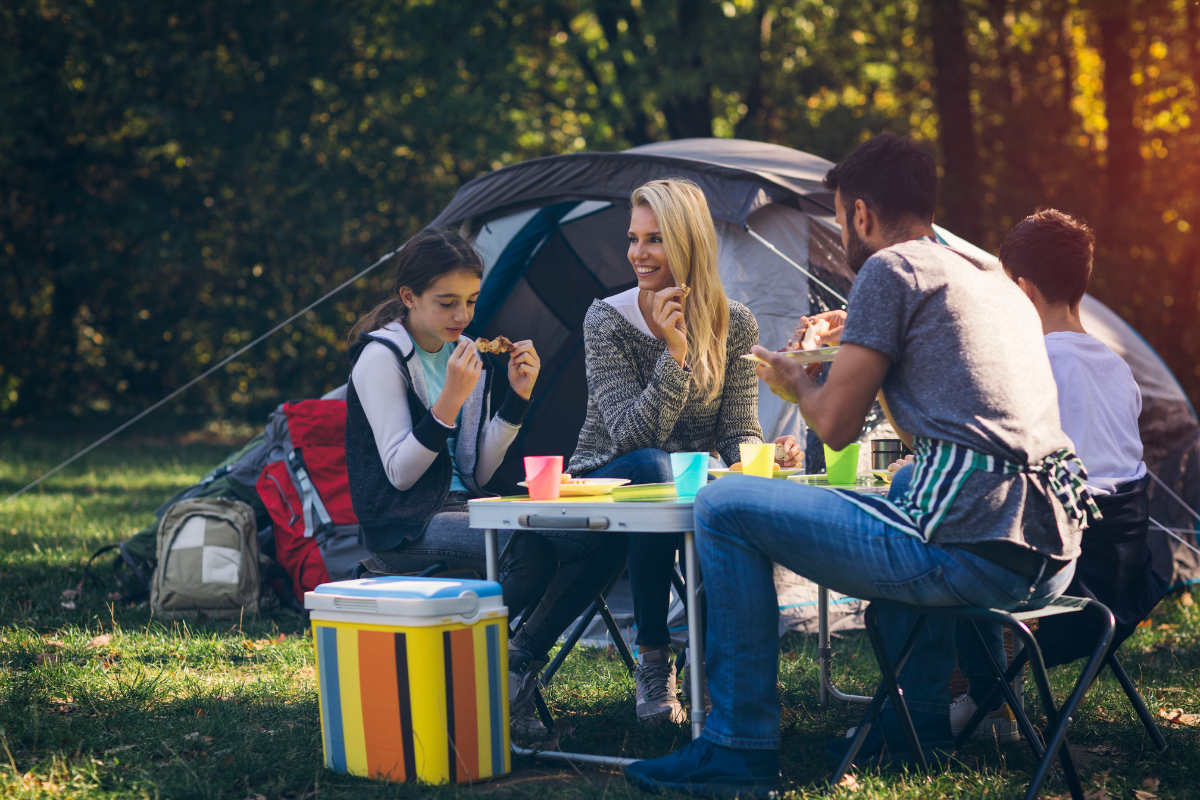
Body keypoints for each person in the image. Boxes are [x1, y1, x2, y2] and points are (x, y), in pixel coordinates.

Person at [625, 135, 1095, 798]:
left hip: (973, 552)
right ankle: (917, 728)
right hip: (1051, 550)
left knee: (723, 507)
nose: (843, 231)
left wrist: (796, 385)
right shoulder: (989, 277)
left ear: (863, 215)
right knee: (908, 484)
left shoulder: (889, 270)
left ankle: (737, 746)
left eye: (842, 218)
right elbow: (934, 424)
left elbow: (837, 427)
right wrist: (874, 357)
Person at [344, 228, 629, 743]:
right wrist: (449, 399)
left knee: (604, 539)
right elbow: (400, 474)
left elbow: (475, 471)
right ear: (409, 298)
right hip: (405, 521)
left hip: (465, 505)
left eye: (471, 302)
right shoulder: (381, 359)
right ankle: (482, 677)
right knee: (531, 555)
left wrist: (517, 399)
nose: (462, 317)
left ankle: (515, 663)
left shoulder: (465, 353)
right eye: (447, 303)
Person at [569, 178, 802, 726]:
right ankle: (653, 657)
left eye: (654, 239)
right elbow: (630, 433)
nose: (637, 253)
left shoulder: (734, 322)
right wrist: (674, 359)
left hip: (691, 481)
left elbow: (738, 429)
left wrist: (764, 455)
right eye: (633, 238)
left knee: (741, 493)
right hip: (612, 474)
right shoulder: (607, 320)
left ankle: (711, 660)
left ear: (689, 243)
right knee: (658, 467)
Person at [940, 208, 1156, 742]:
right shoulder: (1116, 368)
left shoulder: (1033, 367)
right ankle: (985, 699)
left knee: (953, 535)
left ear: (1022, 290)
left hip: (1065, 588)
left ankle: (983, 703)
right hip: (1122, 584)